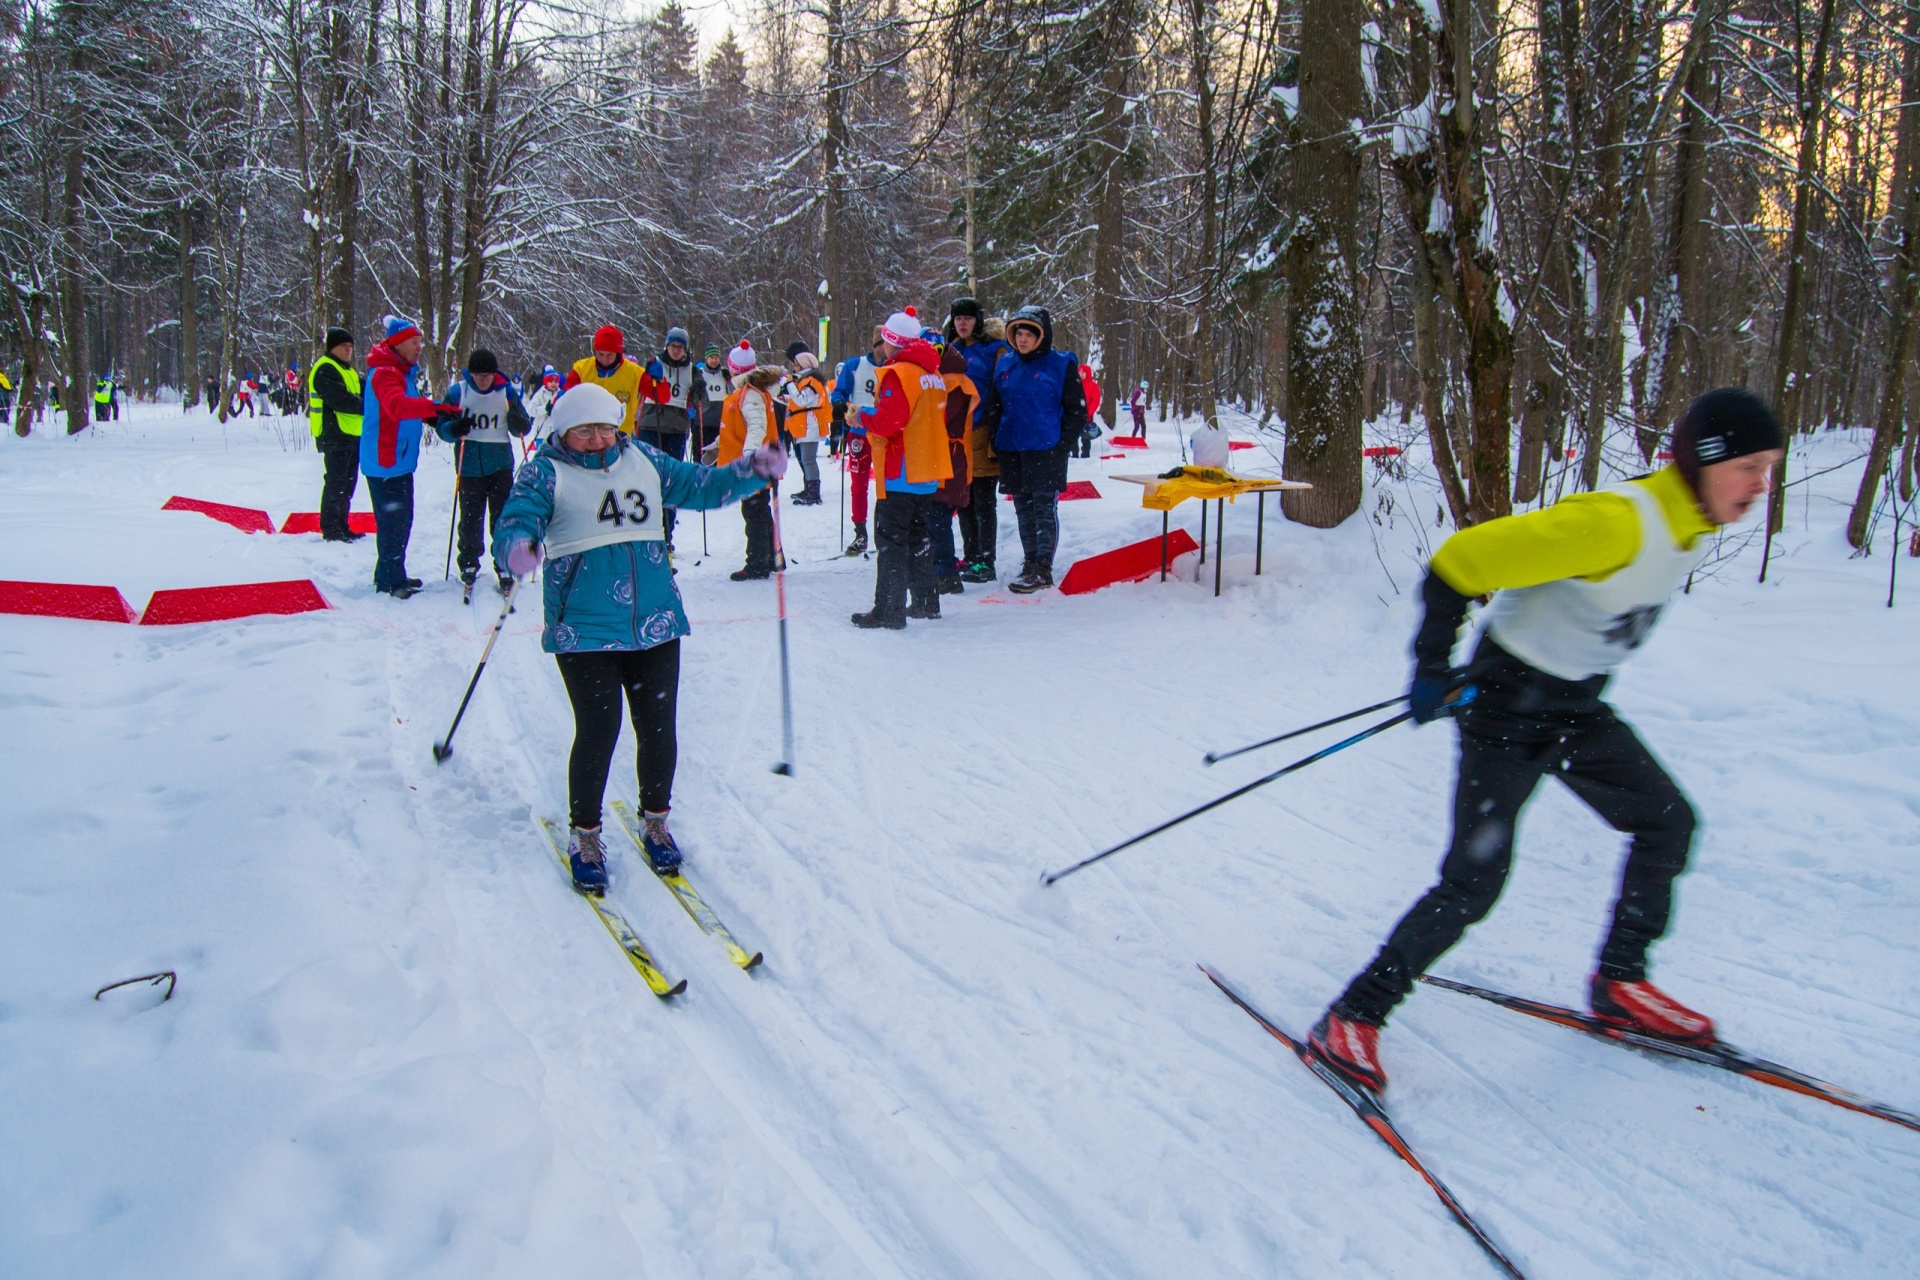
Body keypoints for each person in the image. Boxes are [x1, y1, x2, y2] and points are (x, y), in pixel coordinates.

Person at [1308, 388, 1787, 1095]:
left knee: (1666, 823)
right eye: (1749, 466)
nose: (1760, 486)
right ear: (1706, 460)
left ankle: (1620, 982)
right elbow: (1461, 561)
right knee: (1474, 883)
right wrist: (1433, 666)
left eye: (1769, 468)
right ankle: (1353, 1015)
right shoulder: (1617, 524)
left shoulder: (1687, 528)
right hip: (1505, 709)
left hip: (1572, 708)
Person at [491, 384, 786, 894]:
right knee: (599, 730)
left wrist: (750, 470)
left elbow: (701, 486)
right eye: (586, 430)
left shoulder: (642, 457)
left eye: (606, 427)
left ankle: (656, 821)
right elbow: (518, 519)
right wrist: (518, 546)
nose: (598, 438)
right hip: (585, 628)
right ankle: (585, 834)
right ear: (564, 430)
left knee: (658, 728)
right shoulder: (545, 471)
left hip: (655, 621)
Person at [851, 309, 953, 629]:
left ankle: (889, 610)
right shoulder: (932, 374)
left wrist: (861, 417)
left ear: (889, 342)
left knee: (892, 542)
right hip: (926, 470)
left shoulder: (898, 373)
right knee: (918, 538)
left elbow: (889, 422)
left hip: (901, 471)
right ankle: (925, 602)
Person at [981, 305, 1086, 594]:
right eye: (1019, 334)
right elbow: (994, 405)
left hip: (1046, 449)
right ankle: (1029, 562)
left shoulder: (1061, 364)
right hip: (1012, 448)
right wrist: (996, 435)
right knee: (1022, 509)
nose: (1023, 339)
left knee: (1043, 508)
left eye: (1030, 334)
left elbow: (1077, 411)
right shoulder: (1005, 365)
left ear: (1042, 336)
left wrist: (1062, 445)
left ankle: (1042, 568)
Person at [361, 314, 461, 599]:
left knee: (400, 520)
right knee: (394, 521)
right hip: (385, 460)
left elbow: (408, 410)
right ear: (399, 344)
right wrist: (433, 408)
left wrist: (435, 416)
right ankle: (390, 582)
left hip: (397, 459)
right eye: (414, 342)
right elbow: (396, 407)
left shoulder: (400, 371)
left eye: (420, 341)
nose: (419, 347)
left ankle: (393, 574)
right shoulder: (385, 373)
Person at [437, 347, 532, 595]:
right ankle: (468, 563)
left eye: (488, 376)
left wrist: (519, 423)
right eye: (479, 376)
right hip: (468, 465)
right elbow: (441, 427)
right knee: (470, 518)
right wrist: (455, 428)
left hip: (500, 464)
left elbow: (523, 423)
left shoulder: (506, 391)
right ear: (471, 374)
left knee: (501, 518)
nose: (484, 380)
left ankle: (503, 564)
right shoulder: (458, 391)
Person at [944, 298, 1009, 582]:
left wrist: (994, 426)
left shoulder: (994, 349)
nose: (963, 323)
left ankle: (986, 560)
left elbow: (1001, 390)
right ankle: (971, 556)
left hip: (983, 432)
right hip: (958, 436)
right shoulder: (951, 349)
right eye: (958, 318)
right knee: (963, 500)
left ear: (978, 320)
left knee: (983, 500)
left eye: (968, 318)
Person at [715, 342, 783, 580]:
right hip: (757, 459)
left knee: (754, 513)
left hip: (754, 462)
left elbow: (757, 426)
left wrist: (749, 455)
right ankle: (771, 557)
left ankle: (757, 562)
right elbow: (740, 427)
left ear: (733, 369)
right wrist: (717, 444)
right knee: (760, 511)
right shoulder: (749, 392)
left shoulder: (750, 393)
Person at [636, 326, 698, 548]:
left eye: (680, 347)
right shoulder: (655, 363)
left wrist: (699, 392)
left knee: (670, 481)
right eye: (673, 346)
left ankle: (667, 534)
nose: (676, 351)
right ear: (667, 346)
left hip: (677, 427)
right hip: (652, 423)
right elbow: (640, 386)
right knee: (648, 478)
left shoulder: (691, 369)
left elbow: (703, 400)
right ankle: (646, 531)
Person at [931, 331, 982, 594]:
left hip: (948, 458)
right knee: (938, 517)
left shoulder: (952, 383)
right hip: (950, 457)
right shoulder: (951, 380)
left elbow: (938, 419)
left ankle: (945, 574)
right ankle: (942, 569)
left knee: (937, 517)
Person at [829, 330, 886, 555]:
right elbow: (840, 390)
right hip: (859, 433)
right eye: (884, 344)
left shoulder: (894, 367)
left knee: (885, 484)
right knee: (858, 483)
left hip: (883, 433)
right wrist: (838, 403)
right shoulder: (856, 365)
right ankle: (860, 532)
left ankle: (884, 530)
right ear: (876, 345)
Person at [308, 326, 366, 543]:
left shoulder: (348, 370)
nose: (348, 350)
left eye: (351, 346)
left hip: (351, 434)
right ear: (333, 347)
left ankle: (342, 524)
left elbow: (364, 389)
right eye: (344, 346)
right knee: (336, 481)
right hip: (334, 434)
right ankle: (331, 527)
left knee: (347, 483)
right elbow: (340, 400)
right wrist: (368, 405)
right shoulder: (325, 369)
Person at [563, 325, 644, 436]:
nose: (604, 359)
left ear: (618, 353)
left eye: (609, 355)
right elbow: (566, 398)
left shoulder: (635, 372)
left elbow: (662, 396)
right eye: (600, 354)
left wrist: (659, 380)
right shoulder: (582, 369)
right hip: (588, 437)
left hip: (620, 437)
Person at [781, 342, 830, 506]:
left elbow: (802, 400)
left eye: (796, 364)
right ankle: (809, 487)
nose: (794, 368)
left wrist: (789, 386)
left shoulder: (811, 381)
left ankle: (813, 491)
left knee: (808, 459)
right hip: (805, 425)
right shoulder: (806, 380)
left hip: (810, 425)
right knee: (806, 459)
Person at [1074, 364, 1102, 458]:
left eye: (1083, 373)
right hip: (1074, 415)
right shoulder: (1075, 385)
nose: (1081, 374)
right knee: (1073, 436)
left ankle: (1085, 455)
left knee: (1085, 437)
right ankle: (1074, 454)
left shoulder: (1093, 386)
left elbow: (1095, 401)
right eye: (1080, 372)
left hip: (1086, 416)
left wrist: (1088, 412)